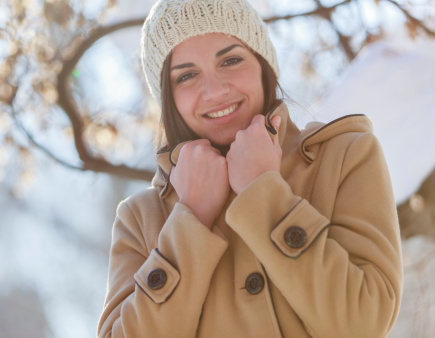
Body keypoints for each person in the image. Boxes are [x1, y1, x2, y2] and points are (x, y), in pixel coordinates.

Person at [97, 0, 403, 336]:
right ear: (169, 99)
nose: (214, 91)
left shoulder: (345, 157)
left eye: (230, 60)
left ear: (262, 65)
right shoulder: (141, 219)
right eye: (186, 76)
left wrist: (264, 193)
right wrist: (191, 219)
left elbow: (364, 322)